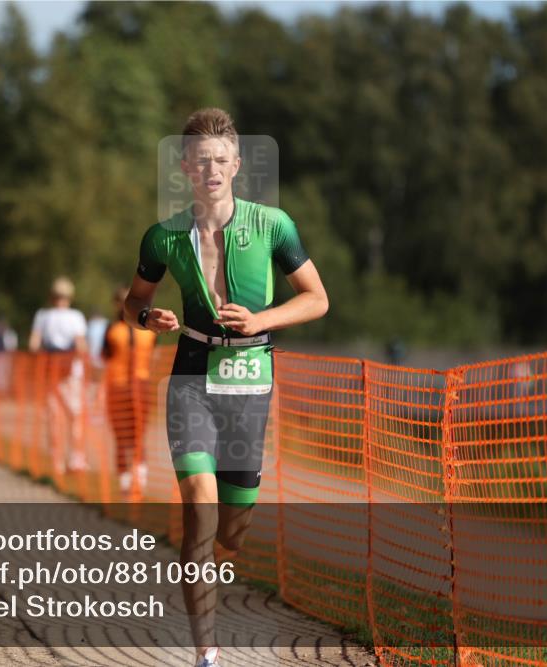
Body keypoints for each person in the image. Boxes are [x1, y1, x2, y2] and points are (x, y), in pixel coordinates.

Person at [123, 108, 328, 667]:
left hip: (250, 382)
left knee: (232, 532)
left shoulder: (273, 225)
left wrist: (261, 321)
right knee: (200, 511)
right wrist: (148, 321)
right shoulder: (163, 236)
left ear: (236, 164)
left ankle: (216, 562)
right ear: (185, 167)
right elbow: (133, 302)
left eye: (221, 159)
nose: (210, 169)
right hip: (191, 377)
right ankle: (207, 653)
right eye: (200, 160)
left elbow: (317, 298)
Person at [29, 277, 89, 473]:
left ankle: (57, 462)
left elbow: (33, 345)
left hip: (50, 373)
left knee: (54, 417)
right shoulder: (75, 316)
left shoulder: (42, 316)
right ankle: (76, 459)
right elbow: (81, 346)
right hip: (72, 374)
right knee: (75, 416)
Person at [102, 286, 156, 499]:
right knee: (122, 435)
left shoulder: (147, 331)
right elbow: (105, 357)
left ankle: (138, 480)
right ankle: (126, 481)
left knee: (138, 434)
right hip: (118, 385)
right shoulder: (112, 330)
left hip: (139, 384)